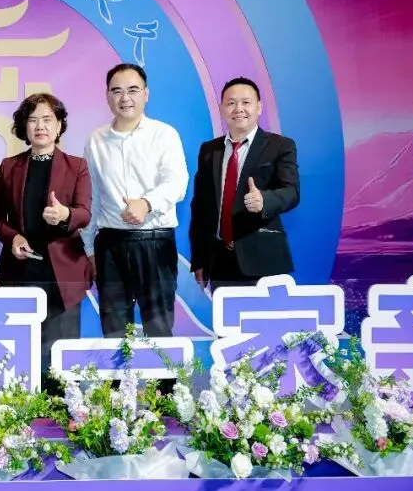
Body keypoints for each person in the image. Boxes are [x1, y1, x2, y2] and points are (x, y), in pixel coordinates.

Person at [80, 63, 189, 339]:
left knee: (159, 326)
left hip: (155, 241)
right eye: (117, 91)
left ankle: (164, 372)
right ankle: (117, 371)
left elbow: (177, 183)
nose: (125, 98)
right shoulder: (95, 140)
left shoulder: (164, 134)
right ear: (107, 96)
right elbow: (92, 197)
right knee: (114, 329)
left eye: (133, 90)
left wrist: (146, 203)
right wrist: (89, 248)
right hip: (110, 244)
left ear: (146, 94)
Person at [0, 93, 92, 383]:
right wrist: (12, 237)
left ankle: (61, 406)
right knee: (18, 349)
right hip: (19, 269)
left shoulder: (77, 166)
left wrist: (64, 215)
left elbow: (84, 213)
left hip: (63, 272)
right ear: (23, 127)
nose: (40, 126)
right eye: (33, 120)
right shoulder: (9, 167)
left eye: (48, 119)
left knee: (59, 353)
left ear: (59, 126)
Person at [189, 77, 300, 289]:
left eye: (246, 102)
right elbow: (200, 207)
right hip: (219, 261)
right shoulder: (209, 150)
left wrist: (265, 200)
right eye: (231, 103)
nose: (238, 109)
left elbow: (291, 191)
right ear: (222, 109)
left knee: (265, 313)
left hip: (263, 259)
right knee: (223, 313)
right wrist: (200, 258)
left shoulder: (280, 146)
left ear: (259, 107)